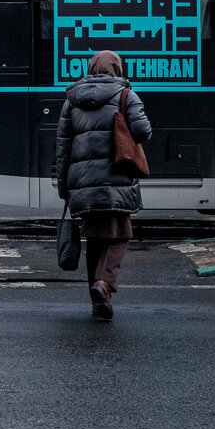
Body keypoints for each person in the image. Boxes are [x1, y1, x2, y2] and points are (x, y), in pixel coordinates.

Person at [56, 50, 151, 320]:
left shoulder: (71, 102)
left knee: (96, 238)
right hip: (117, 179)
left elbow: (62, 150)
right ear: (117, 69)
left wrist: (65, 189)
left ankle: (97, 301)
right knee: (120, 234)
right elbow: (143, 130)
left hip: (83, 184)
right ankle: (104, 285)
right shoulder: (125, 95)